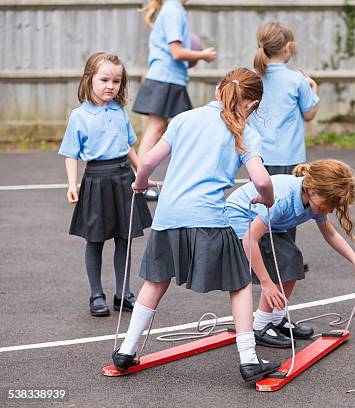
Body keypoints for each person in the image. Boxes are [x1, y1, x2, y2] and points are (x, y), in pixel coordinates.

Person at [111, 68, 282, 383]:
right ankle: (248, 359)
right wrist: (267, 199)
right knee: (241, 284)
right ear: (252, 104)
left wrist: (140, 183)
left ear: (218, 91)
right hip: (208, 219)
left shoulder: (183, 119)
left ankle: (126, 351)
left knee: (155, 282)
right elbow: (262, 179)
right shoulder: (242, 131)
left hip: (167, 218)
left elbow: (147, 161)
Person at [226, 160, 355, 347]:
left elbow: (330, 234)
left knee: (292, 259)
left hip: (266, 226)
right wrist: (267, 283)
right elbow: (250, 240)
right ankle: (260, 326)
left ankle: (276, 319)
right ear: (313, 190)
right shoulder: (282, 198)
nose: (331, 209)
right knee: (281, 263)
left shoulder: (313, 199)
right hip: (240, 221)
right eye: (329, 204)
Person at [59, 52, 152, 317]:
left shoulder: (120, 112)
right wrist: (72, 183)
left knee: (125, 239)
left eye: (117, 81)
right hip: (96, 181)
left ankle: (122, 294)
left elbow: (129, 147)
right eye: (104, 79)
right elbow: (70, 154)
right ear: (89, 80)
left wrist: (141, 175)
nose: (111, 85)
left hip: (124, 179)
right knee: (95, 240)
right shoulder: (79, 116)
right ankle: (96, 294)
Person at [252, 21, 320, 271]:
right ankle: (286, 260)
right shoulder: (296, 80)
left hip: (260, 157)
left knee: (263, 208)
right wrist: (314, 88)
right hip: (291, 157)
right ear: (287, 47)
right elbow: (309, 113)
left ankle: (263, 259)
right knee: (290, 206)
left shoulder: (255, 79)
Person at [133, 0, 217, 200]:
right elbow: (177, 52)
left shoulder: (173, 10)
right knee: (167, 130)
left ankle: (141, 181)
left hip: (168, 77)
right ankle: (140, 181)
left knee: (166, 129)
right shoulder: (173, 11)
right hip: (165, 78)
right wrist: (202, 55)